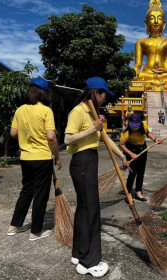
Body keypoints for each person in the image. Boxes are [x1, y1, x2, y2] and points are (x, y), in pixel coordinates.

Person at [64, 77, 129, 277]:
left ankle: (78, 253)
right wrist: (92, 128)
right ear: (95, 93)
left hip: (89, 161)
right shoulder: (78, 111)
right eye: (103, 95)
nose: (104, 99)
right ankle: (89, 262)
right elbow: (67, 138)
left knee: (85, 209)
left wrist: (123, 157)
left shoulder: (93, 113)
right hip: (82, 162)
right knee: (90, 209)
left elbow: (106, 139)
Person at [7, 77, 62, 241]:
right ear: (44, 93)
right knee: (40, 195)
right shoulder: (46, 111)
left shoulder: (20, 110)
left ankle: (14, 226)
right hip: (42, 158)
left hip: (25, 158)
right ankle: (35, 231)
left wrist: (27, 132)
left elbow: (13, 133)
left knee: (26, 191)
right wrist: (58, 157)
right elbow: (51, 137)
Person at [119, 114, 162, 202]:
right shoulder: (126, 131)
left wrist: (155, 139)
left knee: (141, 172)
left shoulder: (144, 124)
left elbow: (147, 133)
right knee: (132, 172)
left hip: (143, 149)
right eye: (133, 126)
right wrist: (130, 154)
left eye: (136, 126)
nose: (135, 128)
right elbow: (121, 144)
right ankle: (129, 194)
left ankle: (138, 192)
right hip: (131, 150)